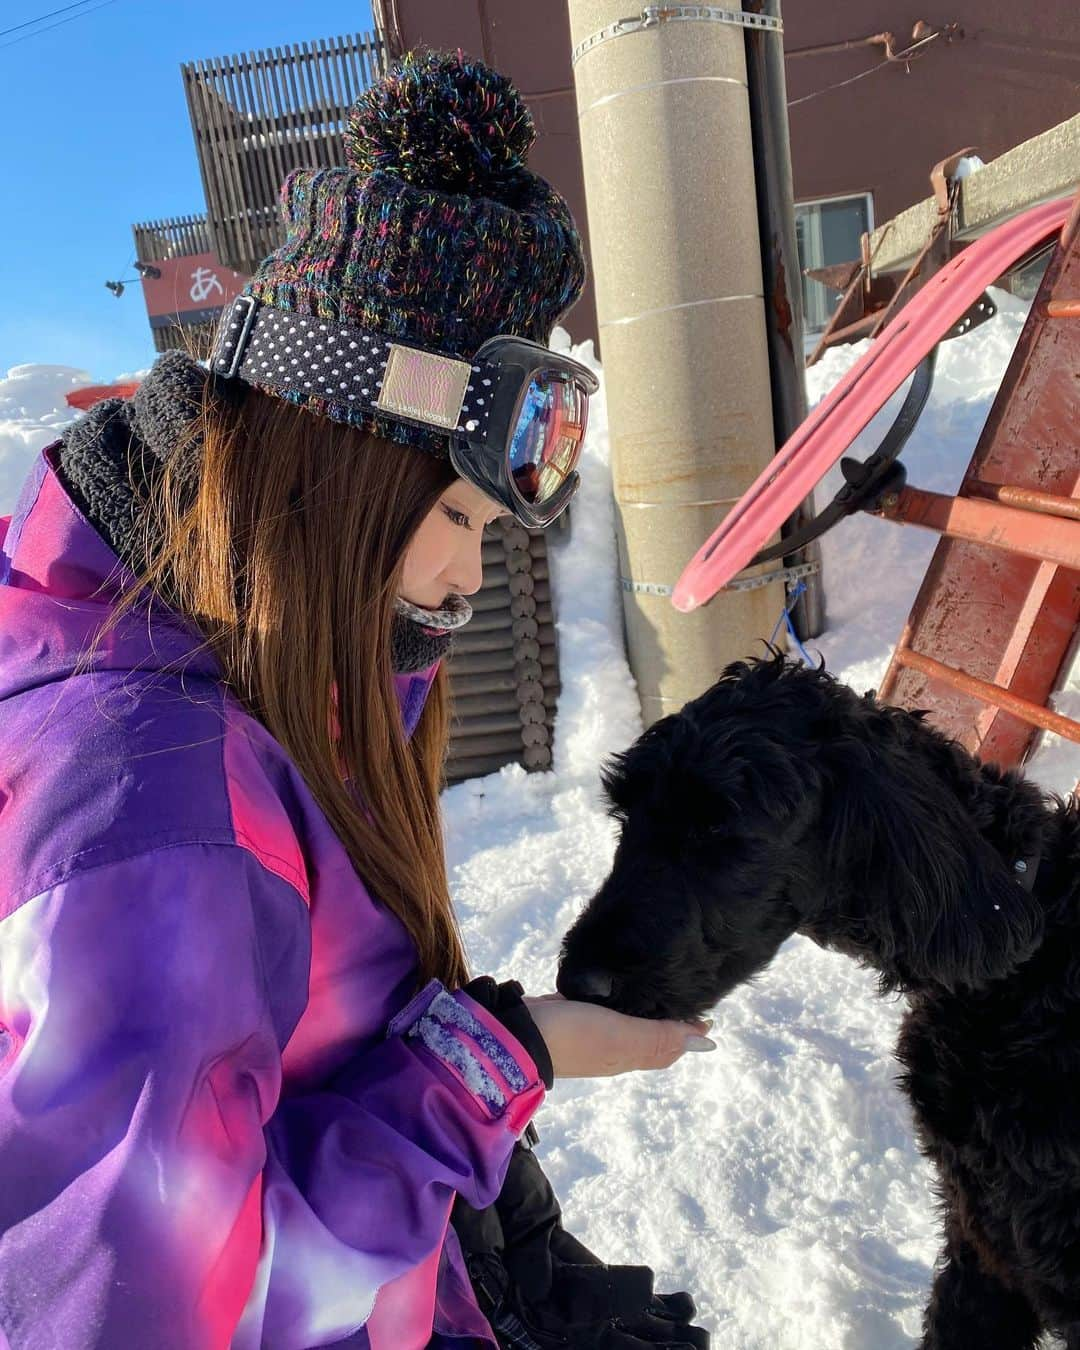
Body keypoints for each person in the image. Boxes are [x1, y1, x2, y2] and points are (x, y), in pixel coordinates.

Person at [0, 51, 712, 1349]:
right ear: (333, 469)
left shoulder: (271, 649)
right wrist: (497, 1067)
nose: (468, 571)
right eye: (452, 513)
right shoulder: (157, 804)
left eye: (490, 524)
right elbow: (161, 1316)